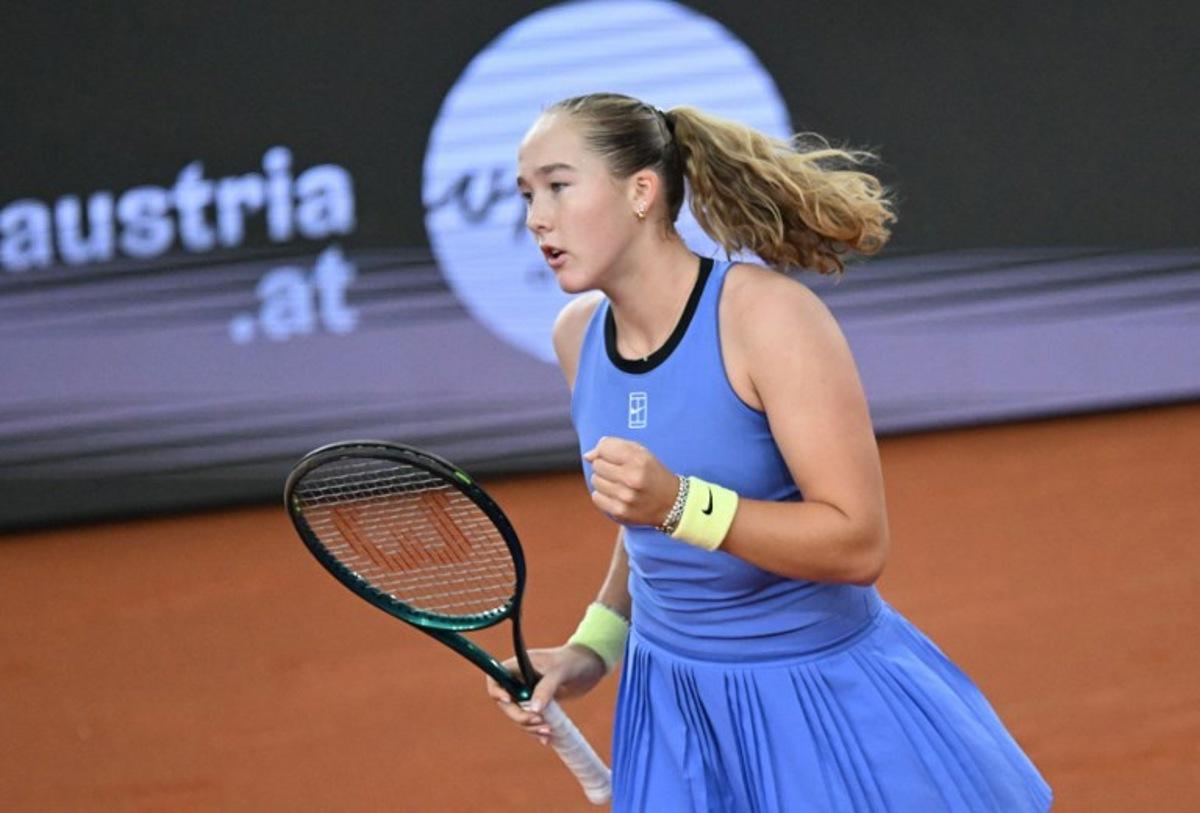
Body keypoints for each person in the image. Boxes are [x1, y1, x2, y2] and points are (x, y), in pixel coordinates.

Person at [485, 92, 1052, 812]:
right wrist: (593, 646)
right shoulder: (578, 337)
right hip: (675, 707)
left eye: (559, 186)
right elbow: (648, 530)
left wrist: (683, 502)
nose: (537, 217)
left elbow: (856, 541)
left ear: (640, 191)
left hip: (815, 699)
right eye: (528, 194)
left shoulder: (768, 319)